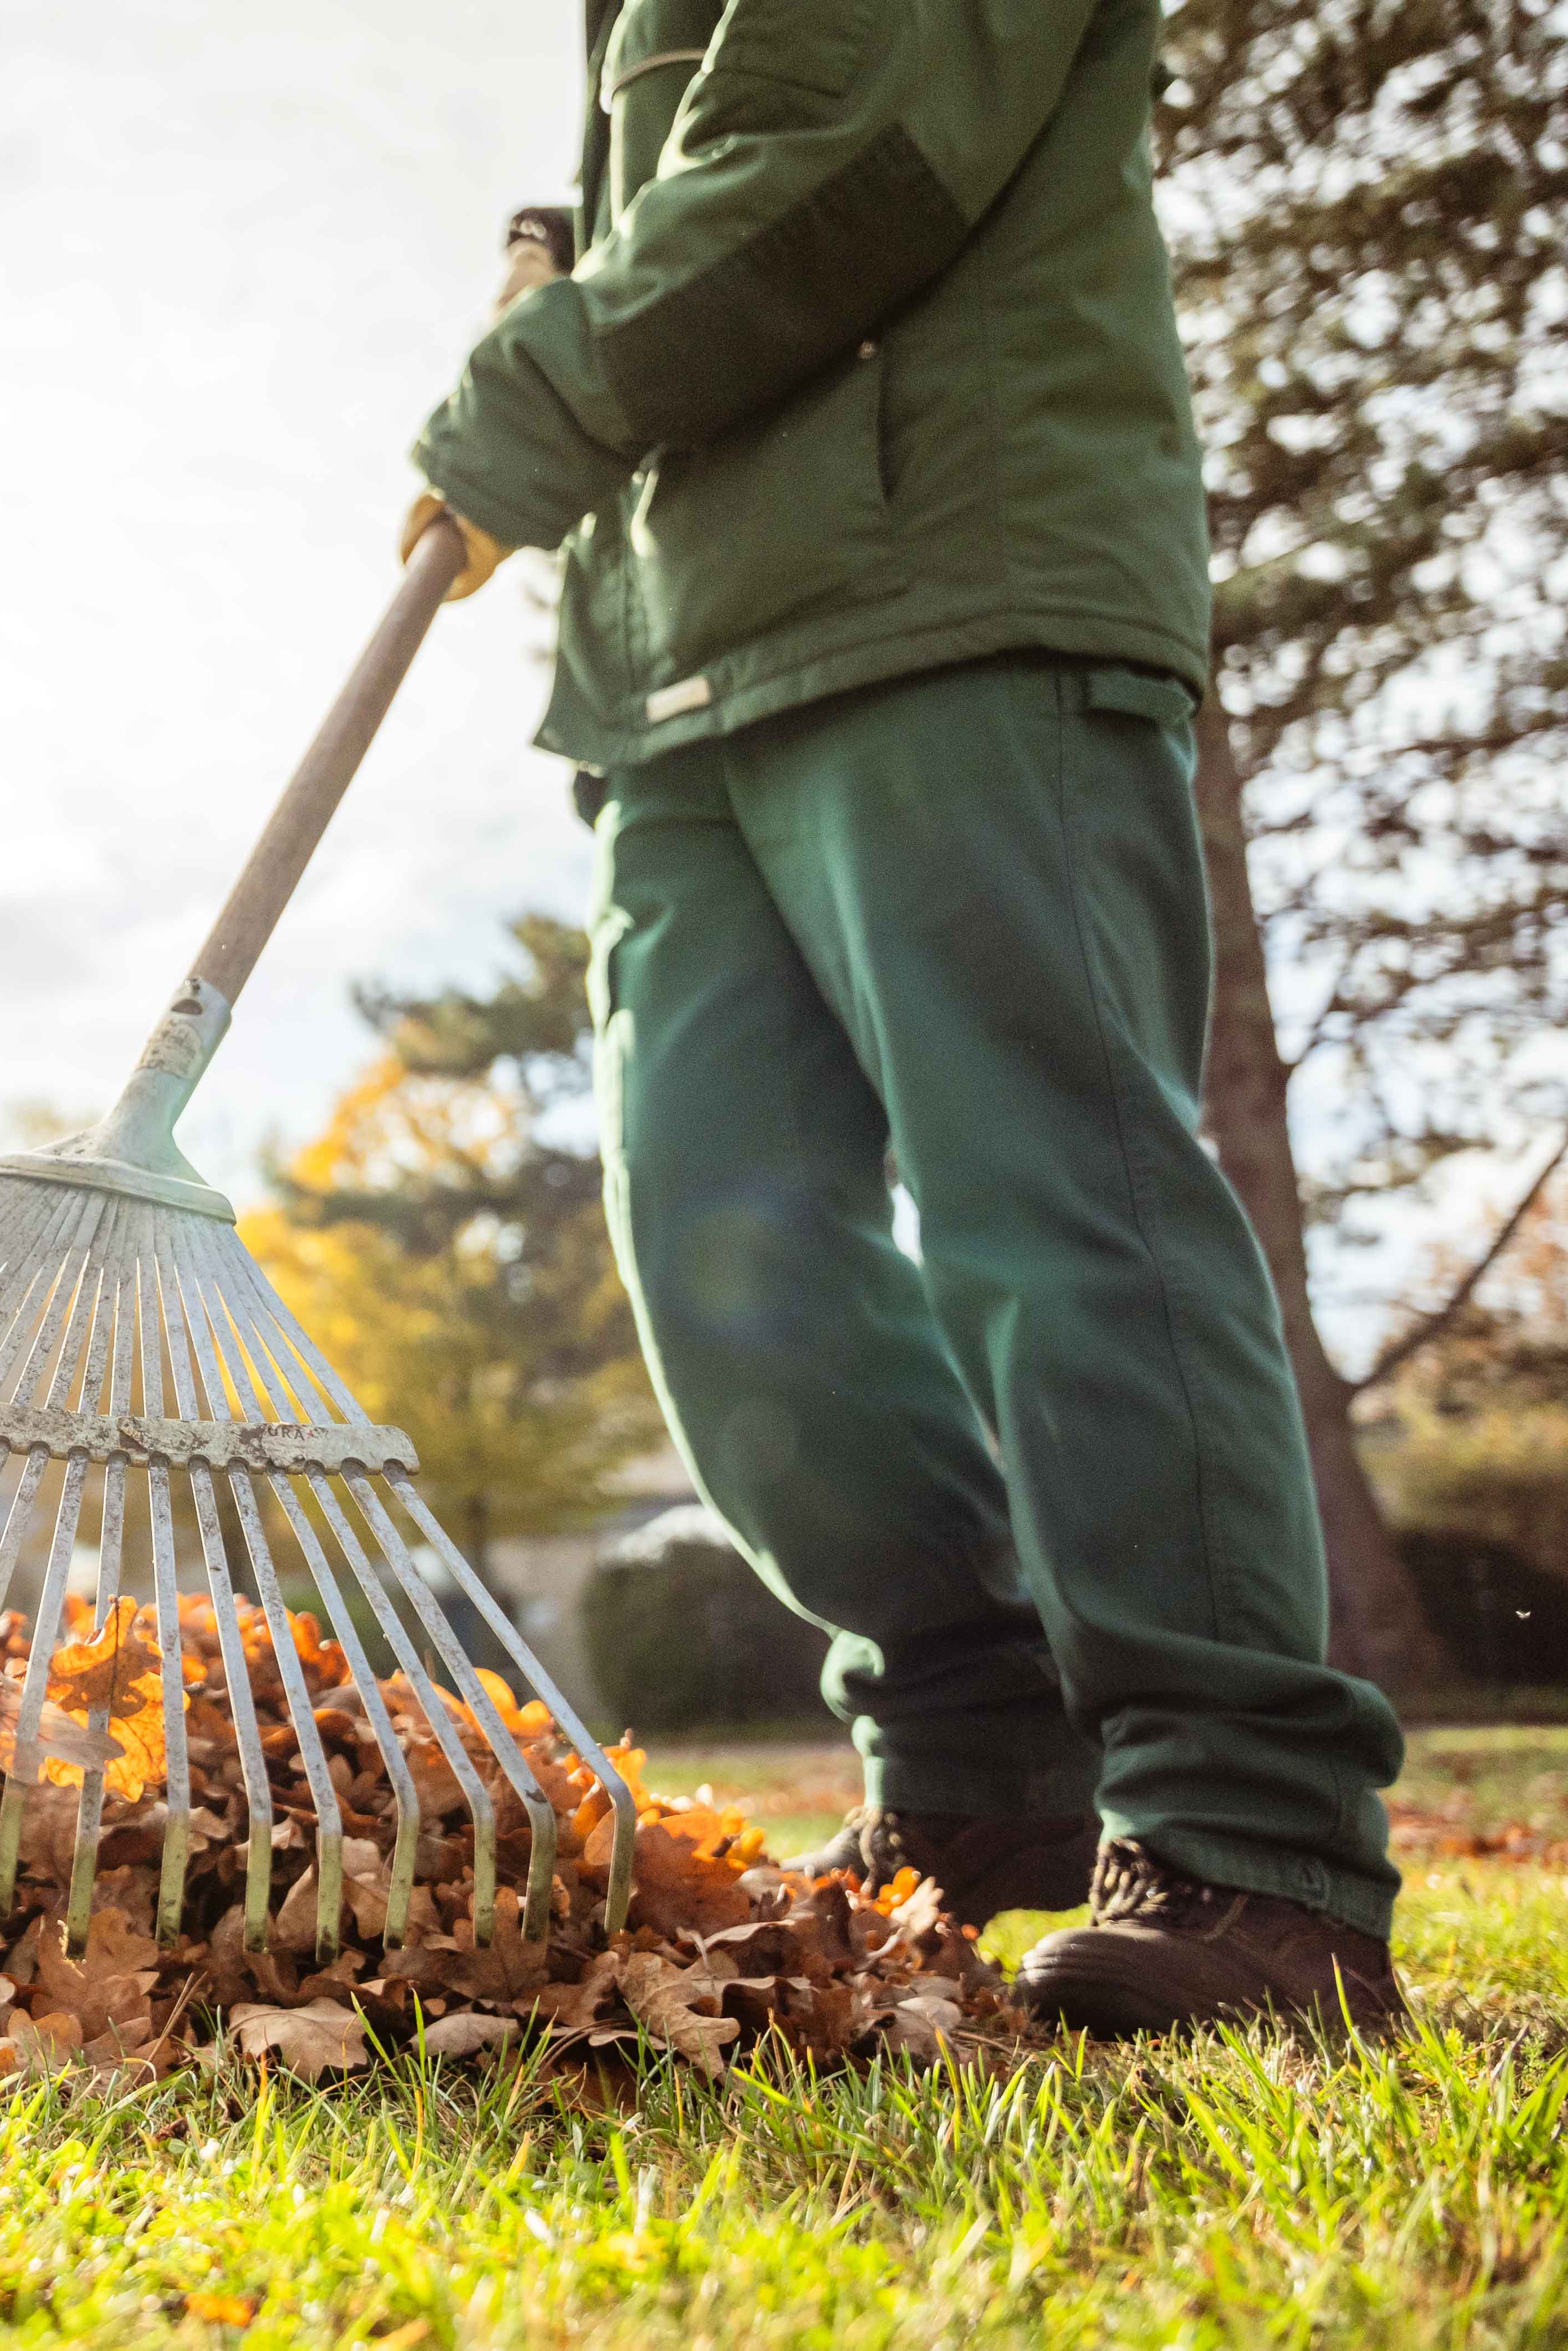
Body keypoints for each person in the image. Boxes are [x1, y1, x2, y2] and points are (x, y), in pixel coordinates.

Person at [405, 0, 1403, 2031]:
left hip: (955, 571)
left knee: (1058, 1192)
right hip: (679, 665)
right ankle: (983, 1773)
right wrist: (569, 273)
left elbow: (843, 150)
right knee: (720, 1246)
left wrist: (531, 397)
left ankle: (1248, 1845)